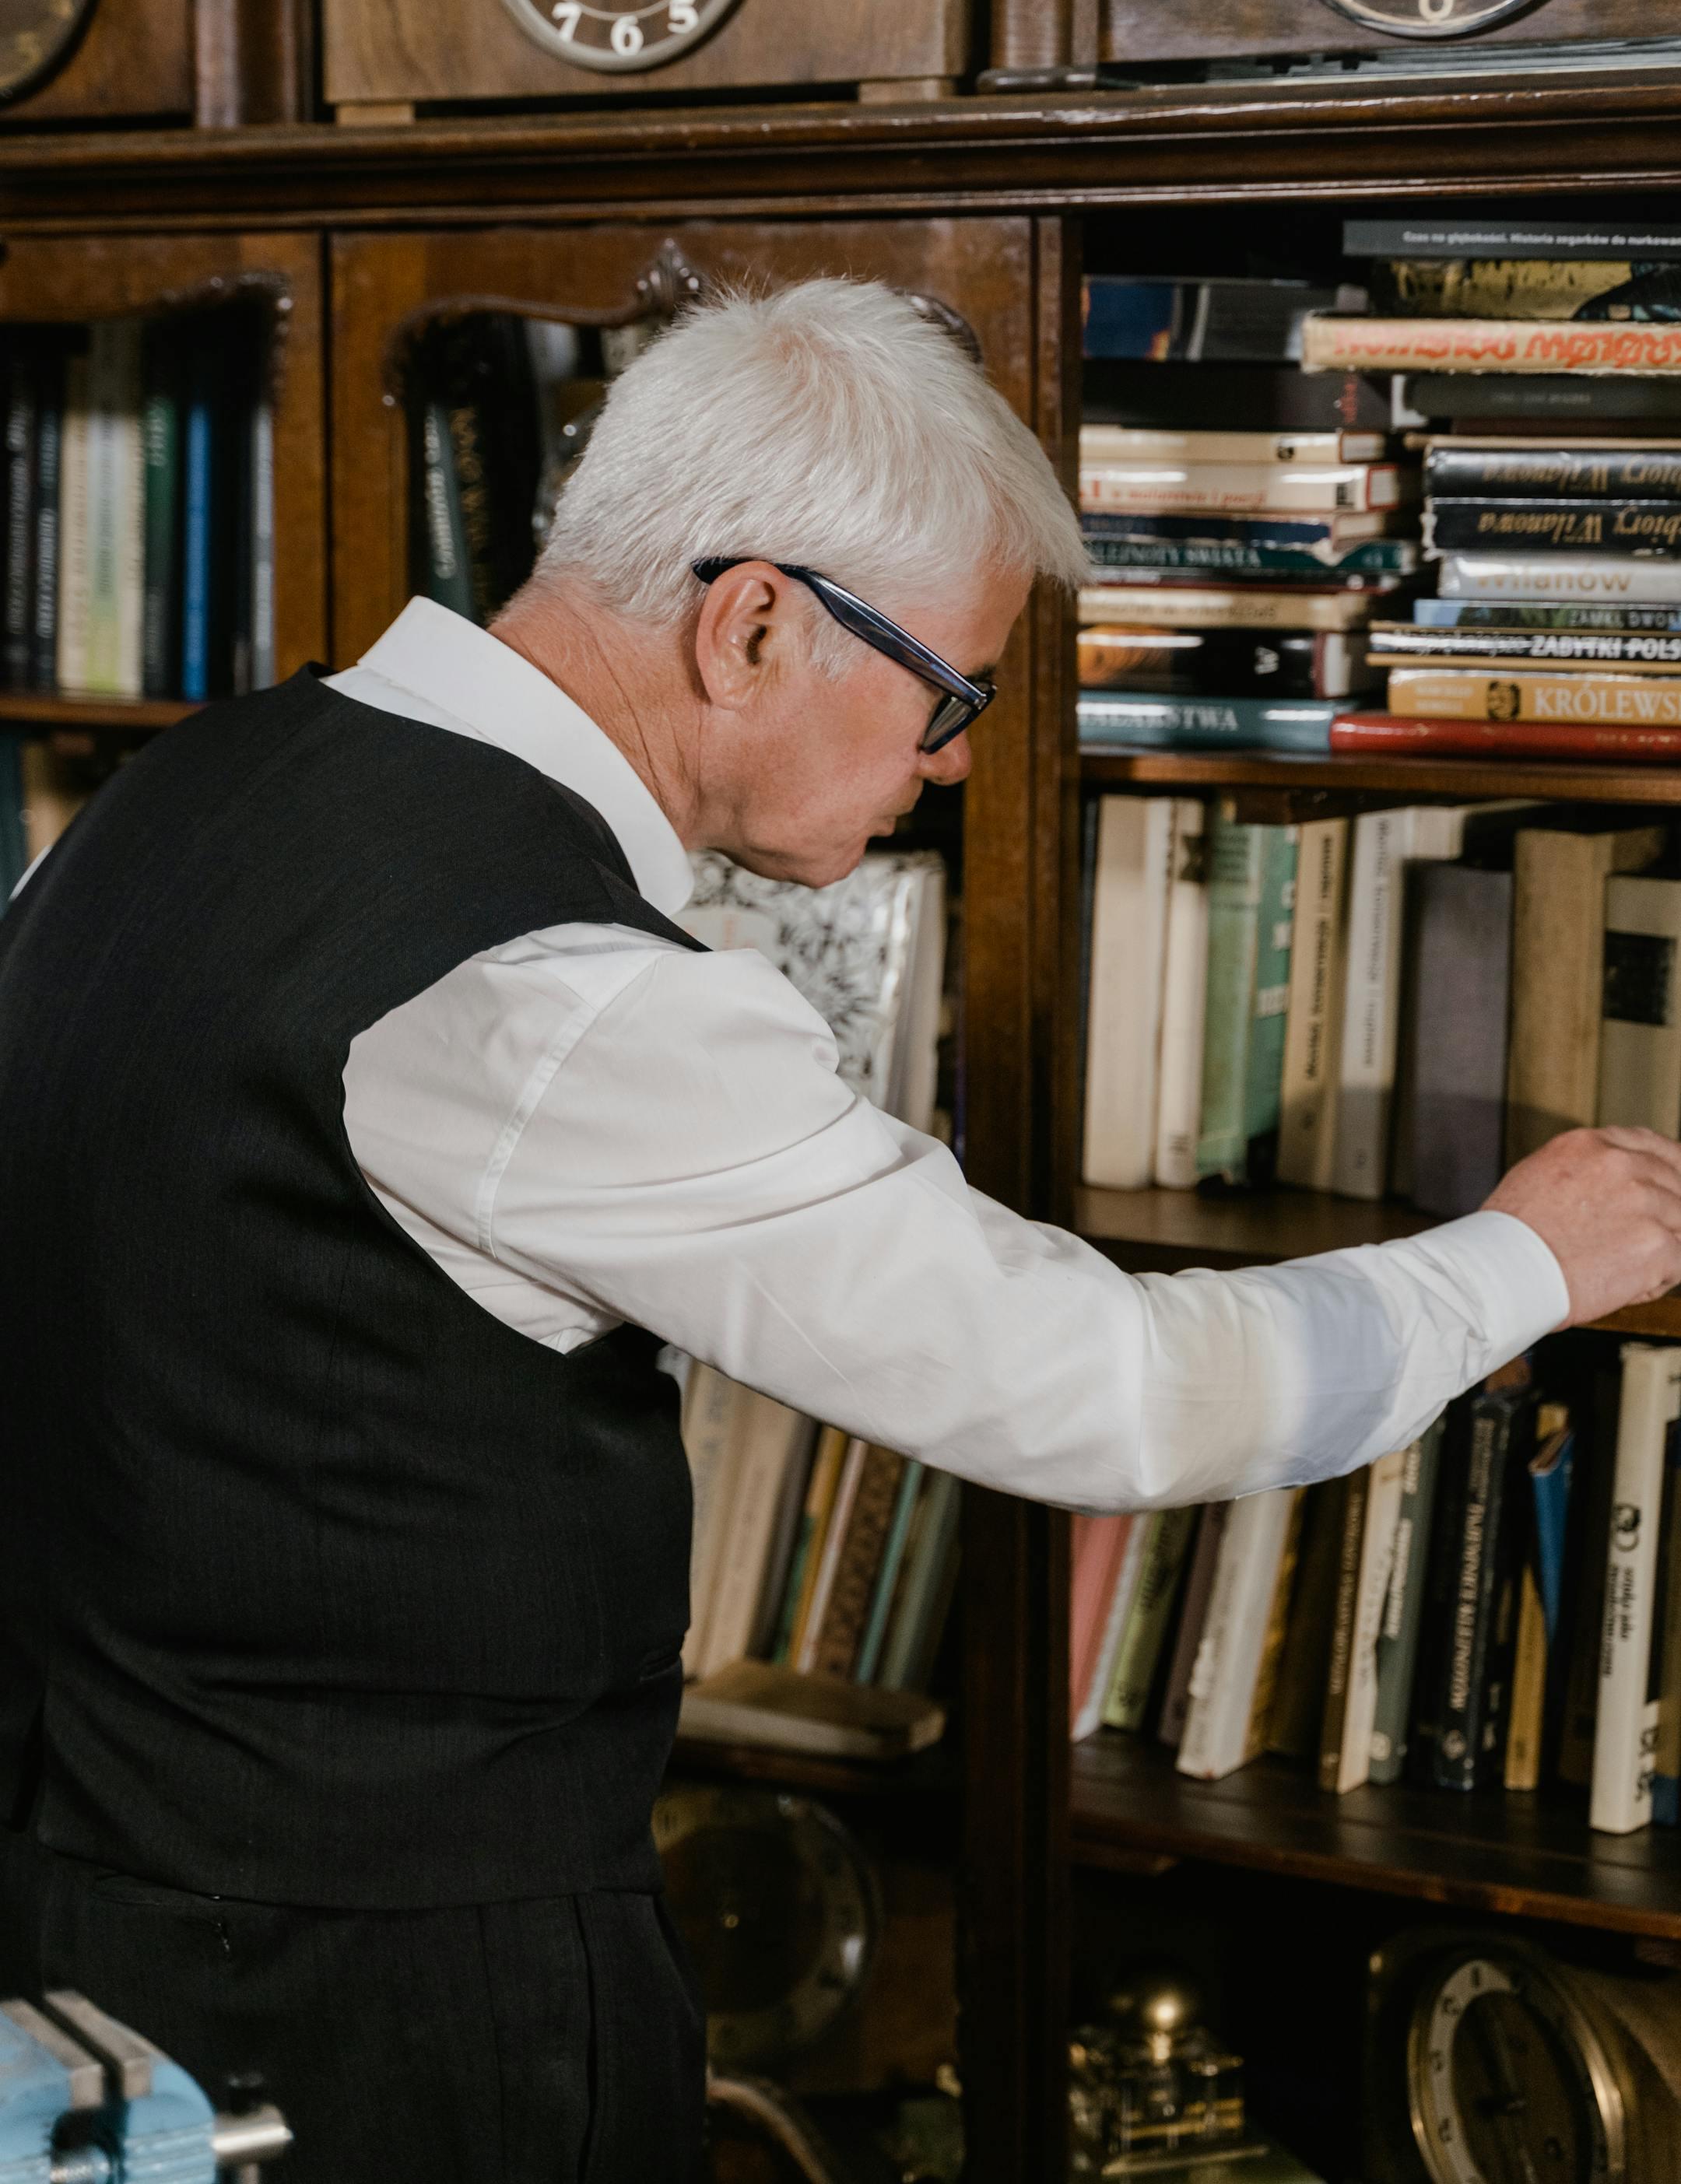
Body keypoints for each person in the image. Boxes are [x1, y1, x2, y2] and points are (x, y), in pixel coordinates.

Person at [2, 279, 1679, 2184]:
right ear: (756, 620)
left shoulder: (173, 794)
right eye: (951, 691)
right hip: (395, 2013)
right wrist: (1527, 1257)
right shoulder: (568, 998)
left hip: (80, 1940)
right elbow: (1107, 1390)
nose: (957, 756)